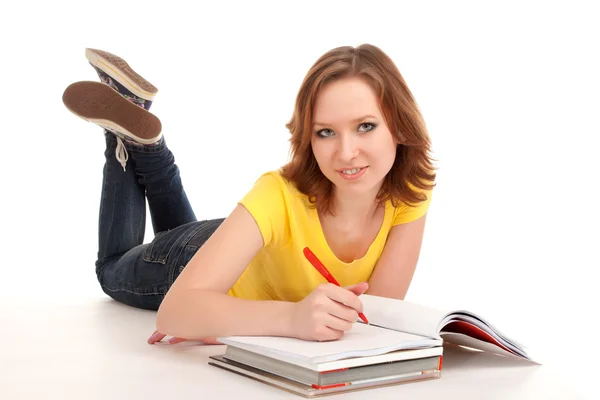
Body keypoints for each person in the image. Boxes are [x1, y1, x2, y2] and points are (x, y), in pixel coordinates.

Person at [62, 44, 436, 346]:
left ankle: (147, 141)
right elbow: (176, 311)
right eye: (325, 132)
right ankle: (125, 139)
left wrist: (242, 320)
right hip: (195, 259)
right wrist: (280, 319)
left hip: (240, 243)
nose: (346, 152)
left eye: (365, 127)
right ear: (308, 136)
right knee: (110, 269)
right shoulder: (277, 193)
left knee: (180, 236)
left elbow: (377, 315)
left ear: (399, 126)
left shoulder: (410, 192)